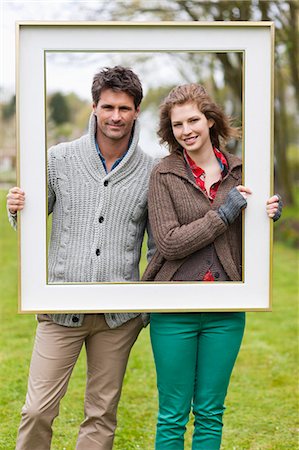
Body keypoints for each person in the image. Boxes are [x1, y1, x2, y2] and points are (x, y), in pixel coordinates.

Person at [7, 66, 156, 450]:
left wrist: (147, 306)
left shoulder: (152, 171)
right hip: (60, 307)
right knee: (37, 410)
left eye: (124, 108)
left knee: (101, 414)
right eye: (108, 107)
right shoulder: (58, 160)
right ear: (94, 107)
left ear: (136, 111)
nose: (115, 116)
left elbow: (158, 246)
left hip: (117, 317)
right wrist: (16, 208)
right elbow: (31, 221)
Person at [142, 83, 282, 450]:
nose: (186, 130)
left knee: (210, 412)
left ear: (210, 121)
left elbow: (243, 241)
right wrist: (224, 214)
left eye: (193, 120)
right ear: (169, 131)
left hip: (225, 309)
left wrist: (266, 218)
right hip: (174, 309)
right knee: (172, 414)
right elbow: (170, 242)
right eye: (177, 125)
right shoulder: (163, 174)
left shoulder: (242, 172)